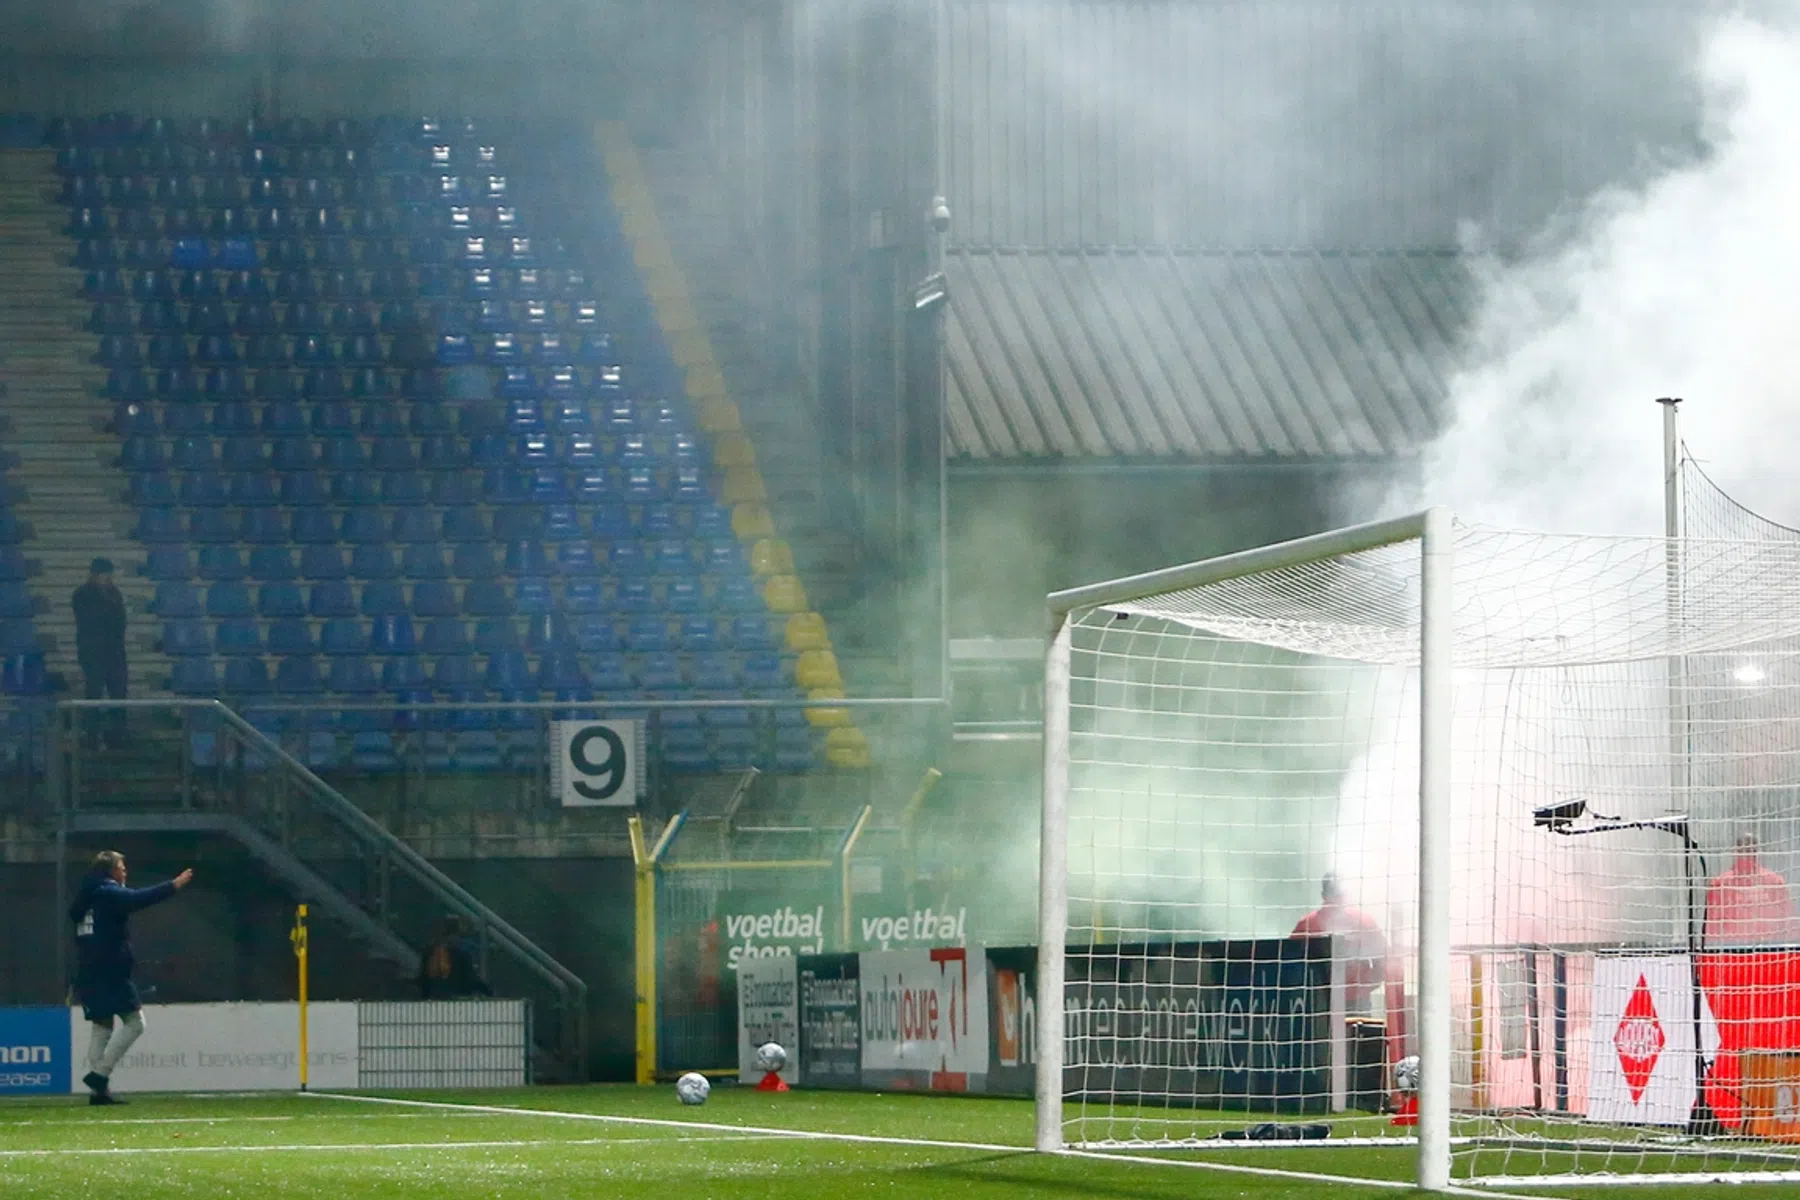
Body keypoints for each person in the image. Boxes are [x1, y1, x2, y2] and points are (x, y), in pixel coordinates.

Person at [69, 851, 194, 1104]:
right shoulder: (107, 892)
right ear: (110, 870)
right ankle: (99, 1075)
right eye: (121, 867)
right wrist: (174, 885)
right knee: (136, 1023)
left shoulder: (86, 896)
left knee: (101, 1027)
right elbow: (139, 899)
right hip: (110, 971)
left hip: (88, 971)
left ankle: (98, 1093)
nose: (125, 871)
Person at [1292, 873, 1388, 1014]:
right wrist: (1366, 985)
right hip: (1324, 1002)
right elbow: (1383, 958)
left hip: (1331, 1002)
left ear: (1323, 895)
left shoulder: (1306, 924)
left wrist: (1364, 986)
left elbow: (1383, 958)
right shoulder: (1307, 925)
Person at [1704, 830, 1800, 948]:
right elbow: (1712, 928)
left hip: (1764, 950)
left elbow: (1789, 922)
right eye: (1744, 851)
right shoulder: (1720, 885)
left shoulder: (1774, 882)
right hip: (1738, 950)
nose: (1747, 856)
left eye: (1750, 851)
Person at [71, 557, 128, 747]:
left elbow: (120, 622)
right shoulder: (82, 595)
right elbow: (90, 622)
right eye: (105, 575)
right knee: (94, 693)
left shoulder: (114, 594)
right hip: (93, 653)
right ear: (95, 575)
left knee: (119, 694)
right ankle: (92, 736)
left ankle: (118, 736)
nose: (108, 579)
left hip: (115, 653)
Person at [417, 915, 493, 1000]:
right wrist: (489, 992)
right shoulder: (462, 955)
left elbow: (423, 980)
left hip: (432, 1000)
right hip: (454, 1001)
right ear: (457, 933)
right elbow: (471, 980)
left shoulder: (429, 952)